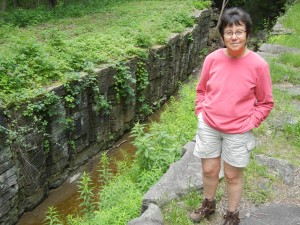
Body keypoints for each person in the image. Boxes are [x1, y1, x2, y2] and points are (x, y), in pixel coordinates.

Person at [189, 7, 274, 225]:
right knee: (209, 169)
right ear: (222, 35)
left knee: (232, 175)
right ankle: (208, 204)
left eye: (239, 31)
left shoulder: (258, 65)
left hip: (238, 130)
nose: (234, 36)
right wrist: (201, 111)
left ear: (247, 34)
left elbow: (265, 102)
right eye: (229, 32)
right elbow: (201, 90)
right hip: (209, 124)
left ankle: (232, 214)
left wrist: (250, 122)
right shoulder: (212, 59)